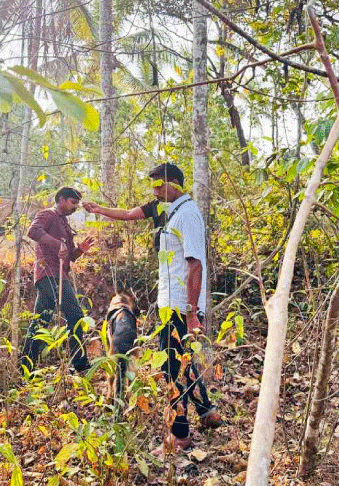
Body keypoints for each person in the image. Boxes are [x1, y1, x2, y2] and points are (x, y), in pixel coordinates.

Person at [84, 162, 223, 454]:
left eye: (160, 185)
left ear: (175, 183)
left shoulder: (187, 215)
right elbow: (128, 214)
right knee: (181, 362)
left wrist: (190, 313)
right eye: (154, 186)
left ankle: (180, 435)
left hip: (179, 307)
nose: (156, 191)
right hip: (168, 303)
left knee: (172, 367)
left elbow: (195, 265)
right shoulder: (166, 209)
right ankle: (206, 411)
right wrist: (99, 210)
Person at [21, 187, 94, 374]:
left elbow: (69, 255)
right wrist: (57, 243)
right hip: (49, 274)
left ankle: (25, 368)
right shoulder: (48, 214)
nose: (75, 206)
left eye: (77, 203)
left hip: (59, 274)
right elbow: (33, 231)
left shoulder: (64, 224)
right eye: (72, 202)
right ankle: (79, 363)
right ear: (61, 199)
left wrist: (80, 250)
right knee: (75, 315)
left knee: (41, 321)